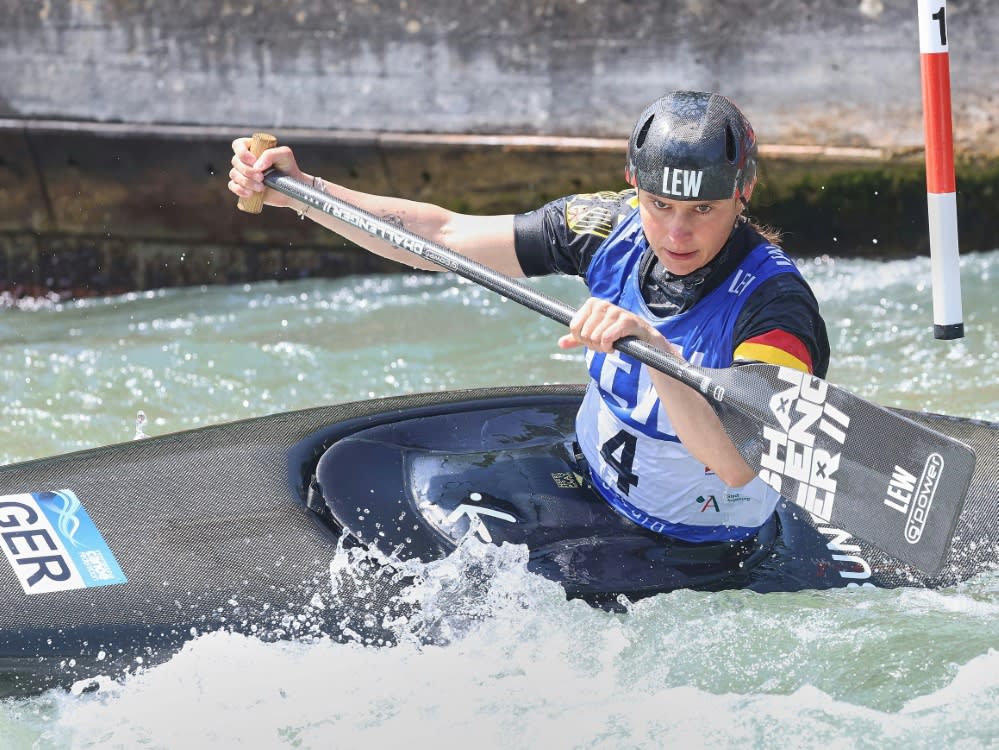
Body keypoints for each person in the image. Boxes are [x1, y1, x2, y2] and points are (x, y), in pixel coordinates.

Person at [228, 90, 829, 545]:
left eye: (703, 208)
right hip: (593, 474)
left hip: (703, 541)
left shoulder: (775, 310)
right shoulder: (603, 227)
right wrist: (306, 192)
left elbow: (736, 464)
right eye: (659, 204)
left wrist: (658, 355)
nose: (676, 232)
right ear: (632, 183)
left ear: (742, 193)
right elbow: (443, 235)